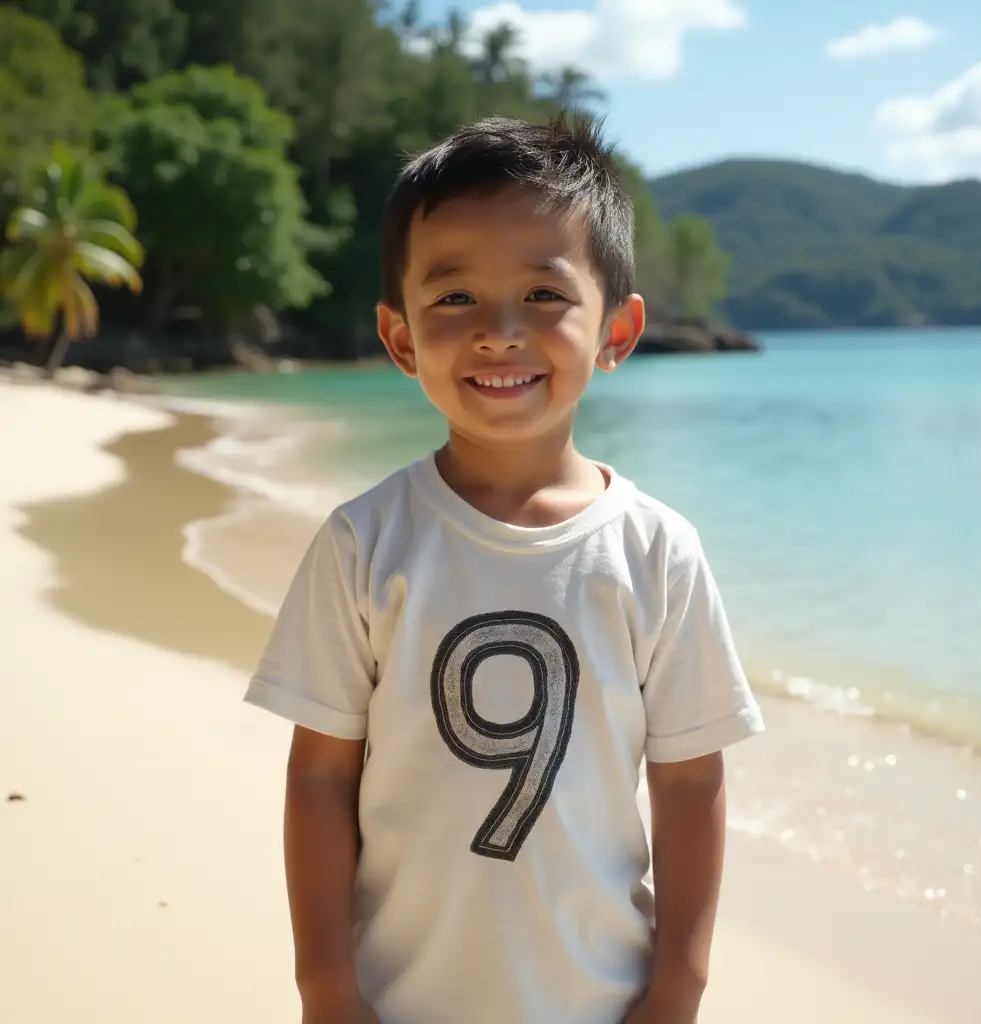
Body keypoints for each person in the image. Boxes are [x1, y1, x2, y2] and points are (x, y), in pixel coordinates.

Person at [244, 113, 764, 1024]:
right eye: (453, 300)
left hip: (602, 1001)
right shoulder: (366, 543)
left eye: (543, 294)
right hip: (397, 1001)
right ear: (400, 339)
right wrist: (324, 986)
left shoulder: (654, 550)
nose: (498, 332)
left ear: (618, 329)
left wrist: (679, 987)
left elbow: (688, 781)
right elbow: (320, 778)